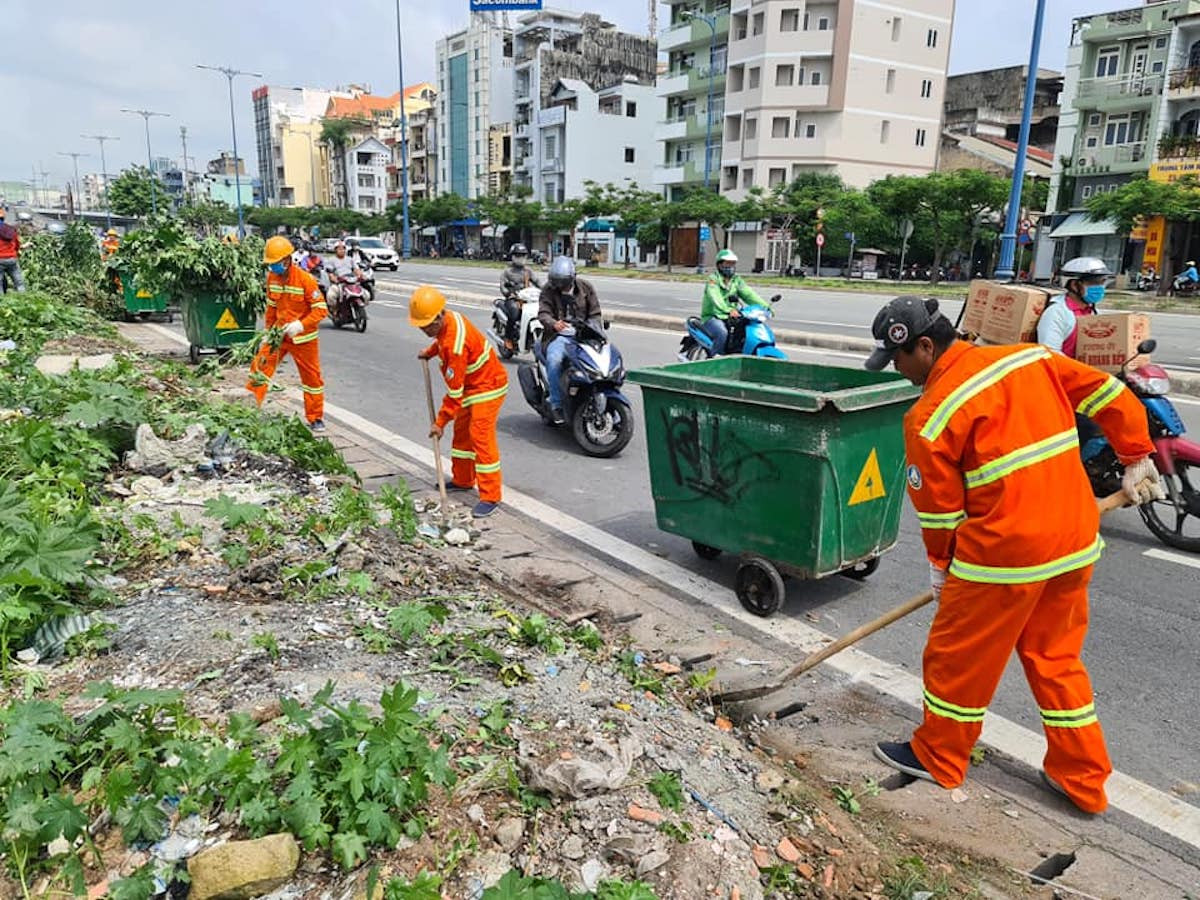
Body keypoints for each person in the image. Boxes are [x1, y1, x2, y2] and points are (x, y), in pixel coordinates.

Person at [863, 295, 1164, 815]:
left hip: (1004, 558)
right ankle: (1083, 779)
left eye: (899, 359)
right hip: (1073, 543)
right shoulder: (1031, 359)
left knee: (957, 659)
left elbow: (940, 518)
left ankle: (938, 755)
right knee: (1056, 660)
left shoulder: (929, 418)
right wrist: (1136, 454)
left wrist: (942, 572)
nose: (898, 370)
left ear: (925, 346)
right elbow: (1110, 394)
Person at [410, 285, 508, 518]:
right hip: (472, 386)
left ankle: (491, 495)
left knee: (480, 436)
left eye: (425, 326)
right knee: (462, 433)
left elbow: (455, 394)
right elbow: (441, 341)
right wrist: (430, 351)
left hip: (488, 386)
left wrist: (439, 423)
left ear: (437, 318)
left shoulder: (455, 346)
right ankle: (463, 479)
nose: (423, 330)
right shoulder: (448, 319)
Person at [246, 236, 329, 431]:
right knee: (259, 368)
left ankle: (315, 417)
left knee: (312, 380)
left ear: (286, 260)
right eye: (270, 264)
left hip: (303, 338)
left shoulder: (305, 280)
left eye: (275, 263)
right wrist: (268, 331)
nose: (272, 267)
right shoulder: (272, 278)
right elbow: (272, 308)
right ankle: (249, 409)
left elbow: (321, 309)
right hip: (278, 335)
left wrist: (301, 325)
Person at [537, 255, 602, 425]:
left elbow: (595, 314)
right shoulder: (548, 290)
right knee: (554, 359)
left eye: (563, 282)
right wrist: (553, 323)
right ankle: (556, 404)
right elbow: (543, 313)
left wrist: (594, 328)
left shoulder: (586, 288)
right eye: (556, 281)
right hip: (559, 337)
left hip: (584, 336)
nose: (559, 286)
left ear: (572, 278)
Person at [1037, 257, 1109, 357]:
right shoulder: (1057, 313)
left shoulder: (1094, 312)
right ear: (1074, 285)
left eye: (1102, 282)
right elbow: (1050, 353)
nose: (1100, 287)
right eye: (1094, 282)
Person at [699, 249, 764, 356]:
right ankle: (715, 360)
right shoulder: (713, 280)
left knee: (745, 331)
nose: (731, 266)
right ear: (720, 265)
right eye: (728, 263)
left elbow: (749, 295)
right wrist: (728, 310)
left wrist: (765, 306)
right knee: (722, 333)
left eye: (733, 263)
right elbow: (716, 298)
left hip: (731, 317)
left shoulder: (736, 280)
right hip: (713, 317)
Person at [499, 243, 541, 348]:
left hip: (527, 299)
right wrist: (509, 293)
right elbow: (503, 286)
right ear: (512, 256)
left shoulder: (528, 271)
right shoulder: (507, 271)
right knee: (514, 313)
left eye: (523, 255)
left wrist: (547, 290)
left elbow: (538, 282)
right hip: (513, 299)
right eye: (518, 255)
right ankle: (508, 338)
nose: (520, 258)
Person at [325, 241, 362, 317]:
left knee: (365, 294)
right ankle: (334, 310)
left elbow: (356, 269)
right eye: (339, 249)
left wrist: (360, 275)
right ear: (335, 250)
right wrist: (333, 278)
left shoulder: (350, 259)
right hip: (339, 283)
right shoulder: (331, 260)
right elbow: (330, 272)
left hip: (350, 282)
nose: (342, 250)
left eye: (343, 249)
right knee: (331, 296)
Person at [0, 209, 24, 293]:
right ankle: (24, 299)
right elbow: (17, 245)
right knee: (19, 283)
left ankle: (2, 303)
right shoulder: (11, 230)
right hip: (12, 258)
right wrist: (16, 252)